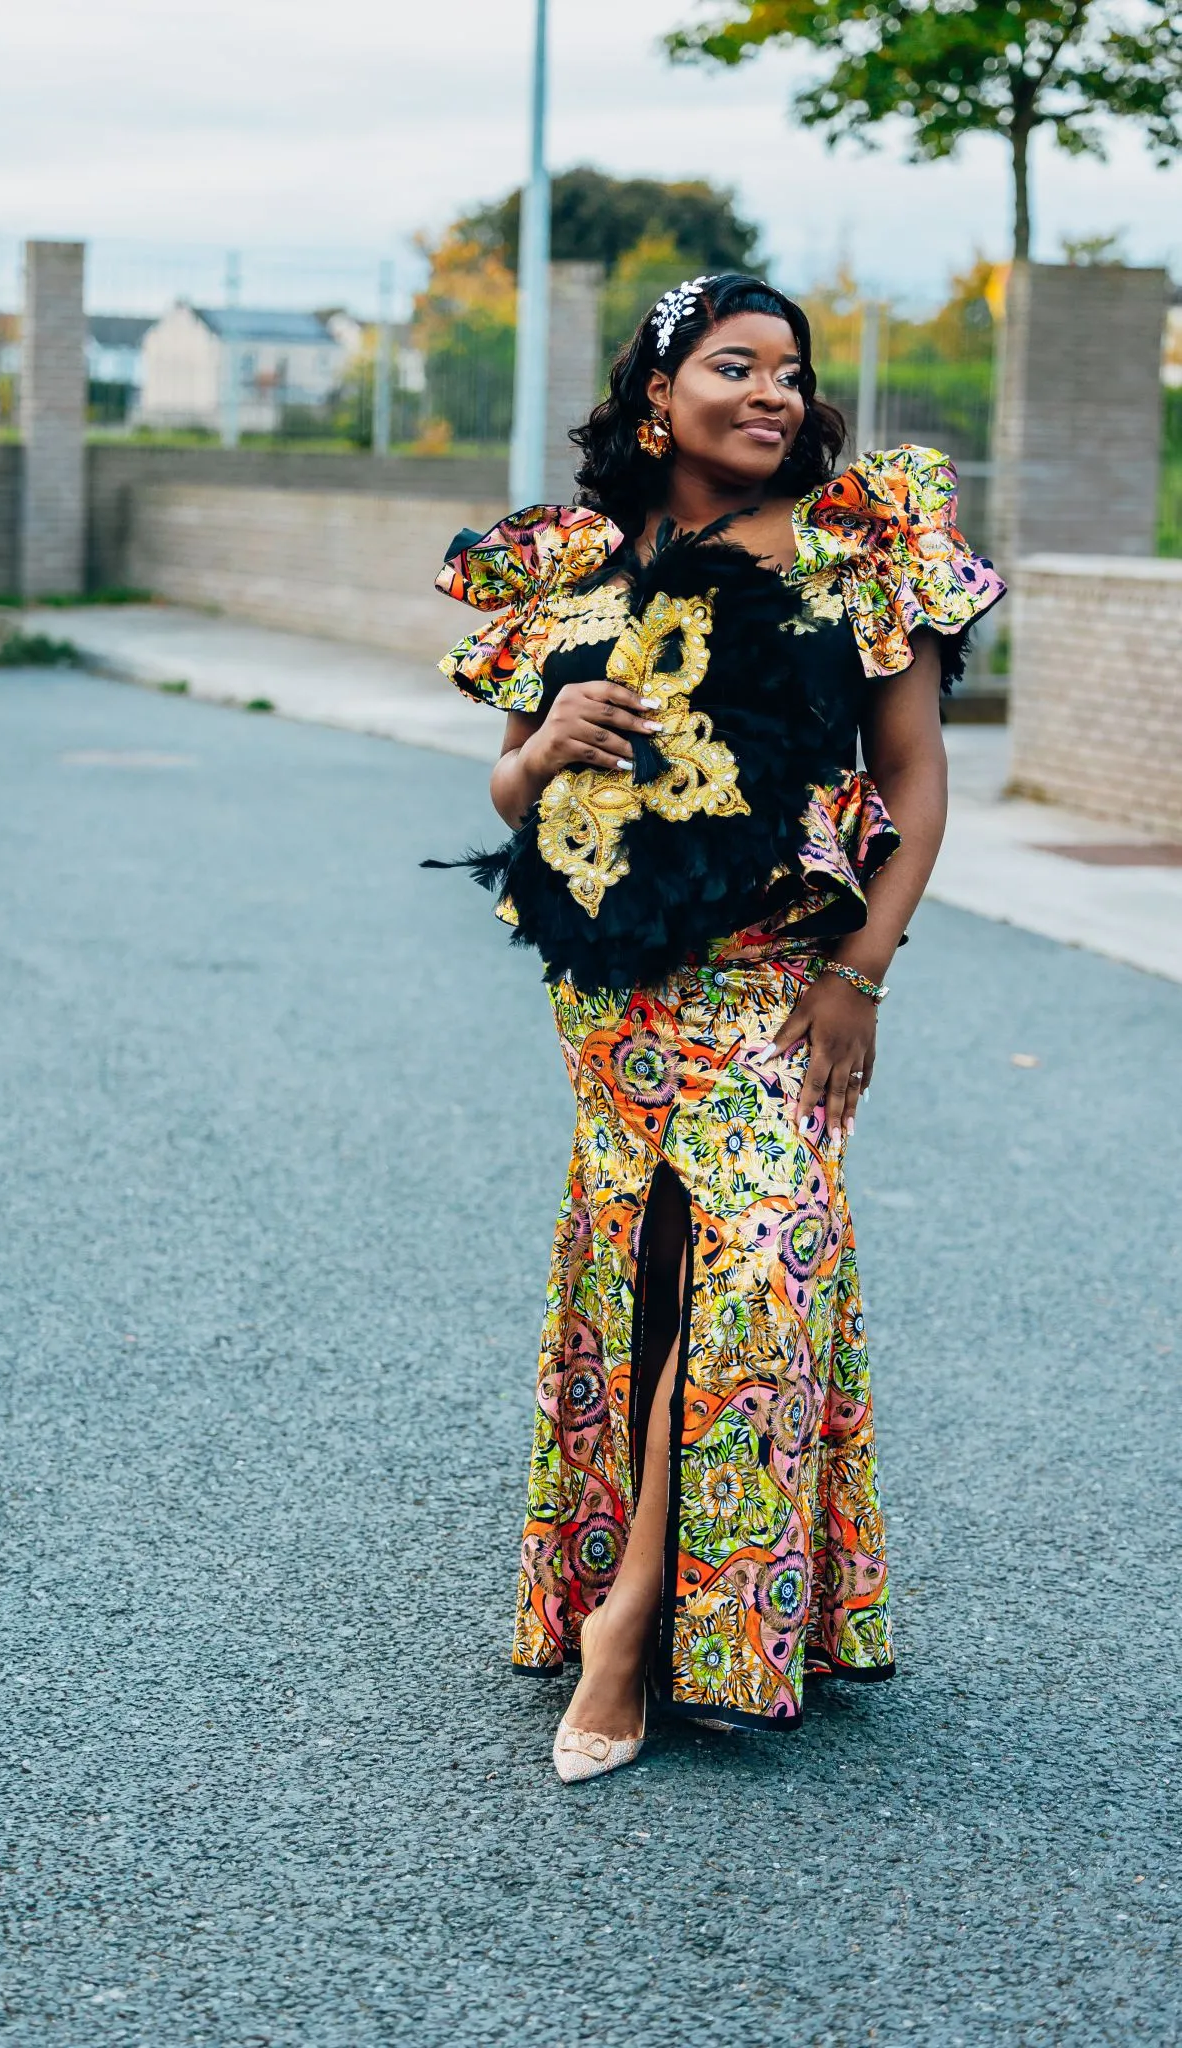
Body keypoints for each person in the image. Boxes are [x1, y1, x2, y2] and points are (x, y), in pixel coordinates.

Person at [432, 273, 1004, 1783]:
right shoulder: (567, 566)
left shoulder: (859, 550)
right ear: (656, 396)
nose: (776, 392)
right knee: (647, 1267)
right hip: (616, 988)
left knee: (759, 1269)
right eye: (737, 366)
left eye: (793, 372)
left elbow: (919, 778)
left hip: (780, 979)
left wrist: (862, 971)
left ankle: (633, 1625)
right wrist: (544, 744)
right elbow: (508, 791)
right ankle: (672, 1605)